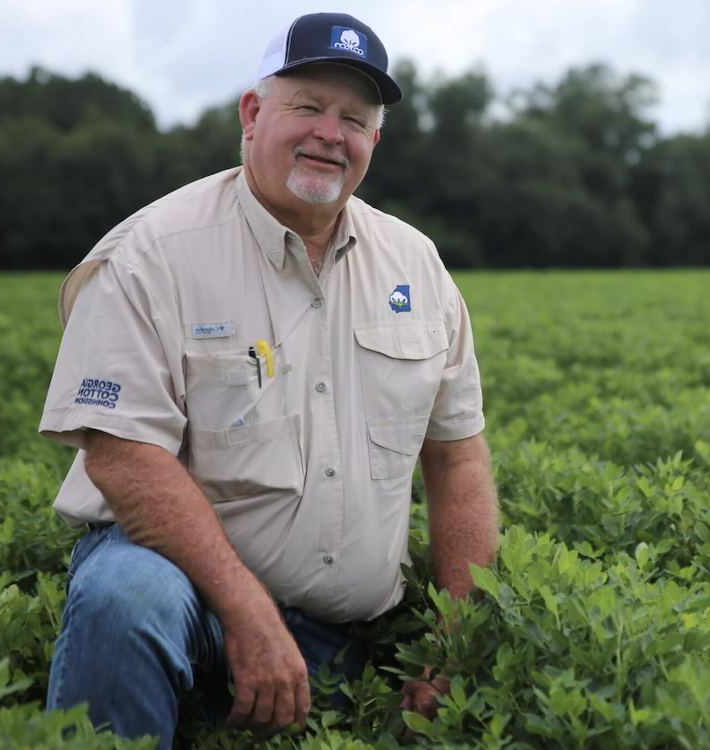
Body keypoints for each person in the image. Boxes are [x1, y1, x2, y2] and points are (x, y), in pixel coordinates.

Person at [39, 11, 498, 749]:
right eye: (309, 106)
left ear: (374, 142)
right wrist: (249, 616)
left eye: (354, 118)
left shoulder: (417, 266)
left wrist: (453, 641)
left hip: (340, 634)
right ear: (253, 114)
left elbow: (458, 458)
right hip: (184, 594)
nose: (330, 133)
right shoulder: (152, 254)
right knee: (124, 596)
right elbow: (123, 456)